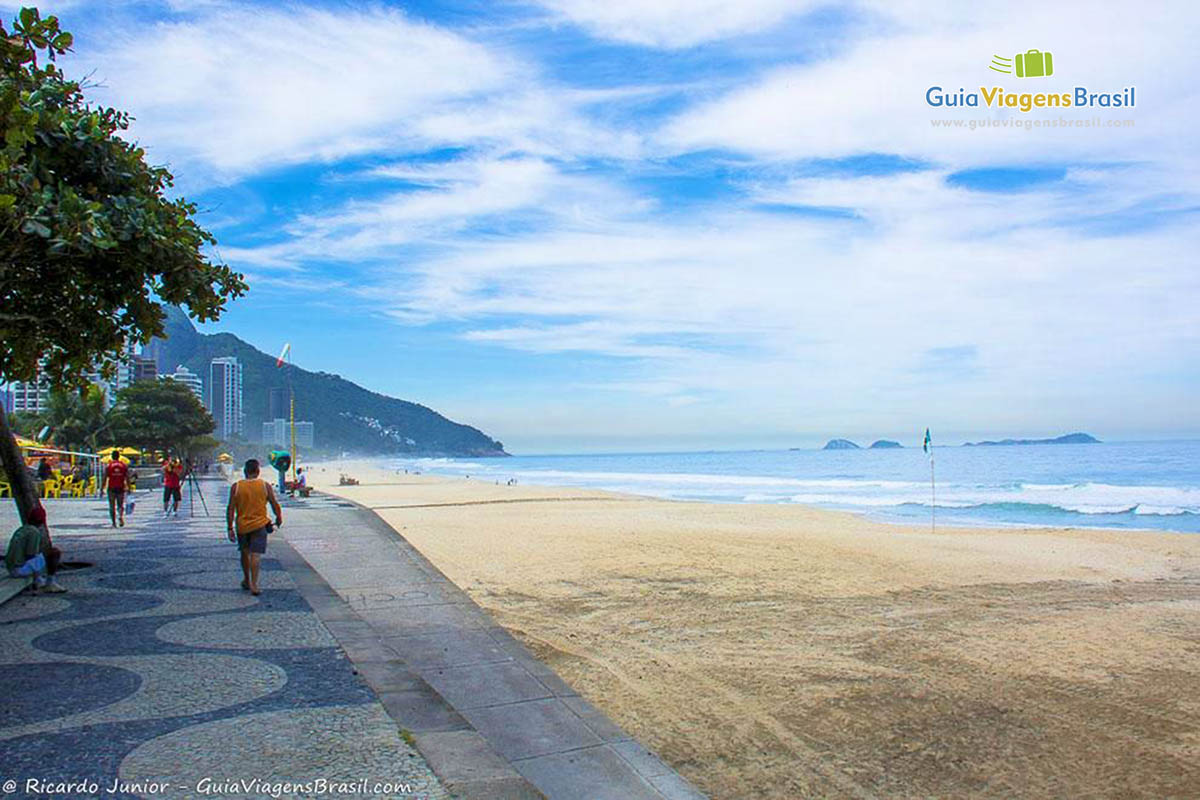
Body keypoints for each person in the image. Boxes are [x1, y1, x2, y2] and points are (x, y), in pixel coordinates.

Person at [226, 459, 282, 596]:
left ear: (245, 471)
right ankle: (254, 584)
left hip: (242, 526)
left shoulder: (236, 486)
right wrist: (278, 517)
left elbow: (230, 509)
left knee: (244, 553)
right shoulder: (264, 485)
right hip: (259, 525)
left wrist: (229, 528)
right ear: (258, 471)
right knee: (255, 555)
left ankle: (246, 579)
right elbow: (274, 504)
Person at [5, 506, 66, 593]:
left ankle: (39, 580)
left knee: (40, 556)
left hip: (11, 567)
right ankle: (50, 582)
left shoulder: (23, 529)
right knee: (54, 553)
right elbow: (30, 554)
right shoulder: (34, 532)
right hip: (18, 569)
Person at [101, 449, 129, 528]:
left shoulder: (109, 466)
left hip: (111, 488)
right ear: (119, 456)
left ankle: (113, 523)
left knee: (112, 506)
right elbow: (127, 477)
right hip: (121, 487)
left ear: (112, 457)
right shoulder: (123, 465)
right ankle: (120, 516)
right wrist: (129, 487)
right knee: (120, 505)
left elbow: (105, 478)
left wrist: (102, 488)